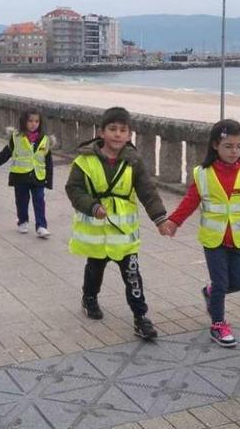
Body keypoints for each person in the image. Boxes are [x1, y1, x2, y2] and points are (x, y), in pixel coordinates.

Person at [161, 119, 240, 348]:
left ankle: (210, 293)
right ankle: (218, 324)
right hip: (213, 240)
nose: (234, 151)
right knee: (221, 282)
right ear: (215, 145)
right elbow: (190, 201)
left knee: (239, 282)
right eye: (228, 146)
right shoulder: (203, 174)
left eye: (239, 146)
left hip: (238, 238)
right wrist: (173, 222)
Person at [65, 107, 169, 340]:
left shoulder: (134, 161)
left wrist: (160, 219)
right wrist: (91, 206)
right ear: (101, 132)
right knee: (95, 269)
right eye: (112, 129)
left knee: (132, 275)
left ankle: (140, 317)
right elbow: (73, 189)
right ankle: (89, 298)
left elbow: (147, 191)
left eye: (123, 130)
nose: (117, 134)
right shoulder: (84, 161)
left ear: (129, 135)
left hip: (123, 234)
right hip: (97, 231)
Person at [0, 107, 53, 238]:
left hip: (38, 176)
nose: (33, 124)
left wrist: (49, 180)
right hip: (20, 176)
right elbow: (6, 154)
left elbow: (48, 161)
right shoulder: (16, 137)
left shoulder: (45, 140)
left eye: (36, 121)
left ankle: (41, 226)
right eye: (30, 121)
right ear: (24, 122)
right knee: (22, 201)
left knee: (39, 200)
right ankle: (22, 221)